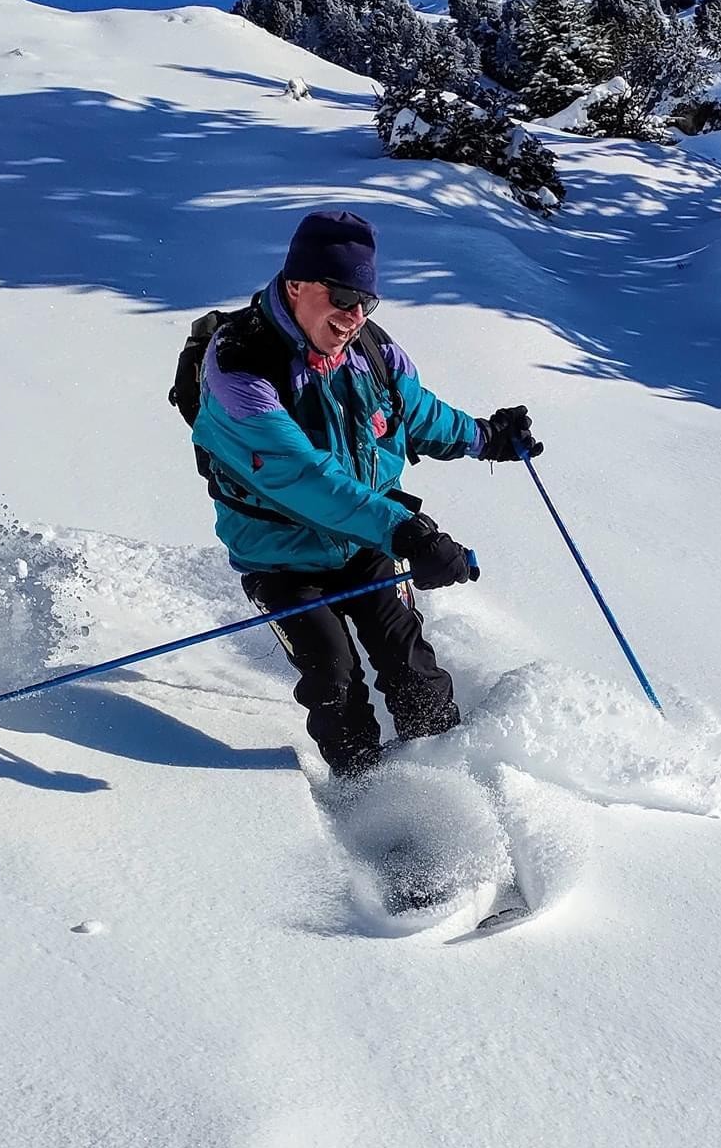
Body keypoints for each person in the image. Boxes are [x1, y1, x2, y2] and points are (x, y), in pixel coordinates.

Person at [191, 208, 542, 781]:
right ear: (297, 284)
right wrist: (405, 530)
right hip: (281, 558)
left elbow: (416, 412)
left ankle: (445, 781)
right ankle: (367, 798)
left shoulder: (372, 351)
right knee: (333, 675)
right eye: (343, 296)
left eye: (366, 302)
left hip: (366, 542)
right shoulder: (240, 369)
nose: (354, 315)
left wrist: (485, 437)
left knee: (410, 664)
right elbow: (303, 477)